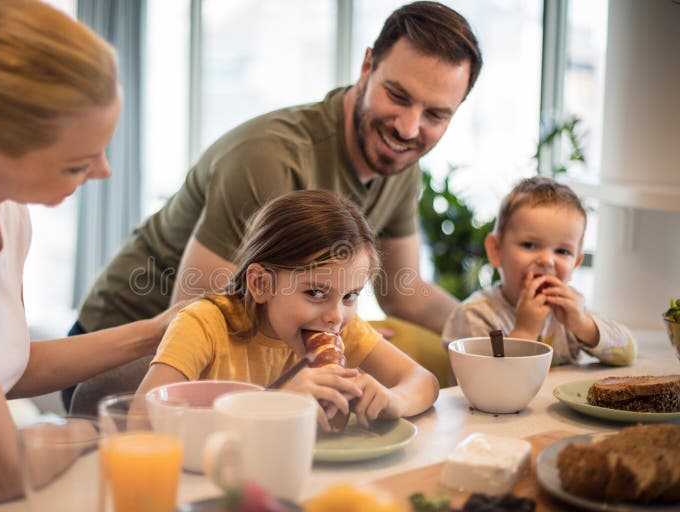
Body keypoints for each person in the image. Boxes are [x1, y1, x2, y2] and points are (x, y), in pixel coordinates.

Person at [68, 1, 483, 407]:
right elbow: (197, 307)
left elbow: (406, 292)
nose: (409, 127)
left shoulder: (399, 164)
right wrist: (314, 329)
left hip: (257, 342)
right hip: (131, 347)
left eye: (435, 115)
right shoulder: (271, 159)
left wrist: (486, 325)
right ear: (367, 66)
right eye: (397, 95)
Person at [0, 0, 182, 502]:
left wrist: (157, 331)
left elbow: (10, 366)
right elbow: (4, 472)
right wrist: (114, 429)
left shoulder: (9, 217)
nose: (104, 172)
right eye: (77, 164)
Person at [137, 190, 440, 430]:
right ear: (260, 284)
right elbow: (140, 419)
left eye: (350, 295)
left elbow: (423, 380)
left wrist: (394, 399)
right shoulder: (203, 324)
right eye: (315, 292)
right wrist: (273, 404)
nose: (336, 315)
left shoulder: (339, 325)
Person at [442, 177, 637, 366]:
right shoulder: (474, 316)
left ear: (575, 264)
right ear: (496, 250)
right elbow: (483, 386)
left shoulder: (570, 310)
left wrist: (583, 325)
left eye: (562, 251)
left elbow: (628, 353)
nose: (546, 260)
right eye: (530, 245)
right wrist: (524, 332)